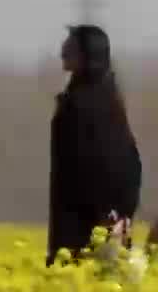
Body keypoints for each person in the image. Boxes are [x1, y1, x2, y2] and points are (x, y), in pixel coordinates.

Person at [48, 24, 142, 266]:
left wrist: (114, 211)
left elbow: (117, 162)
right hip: (80, 215)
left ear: (86, 55)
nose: (62, 53)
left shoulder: (90, 103)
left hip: (91, 222)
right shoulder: (100, 94)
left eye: (69, 48)